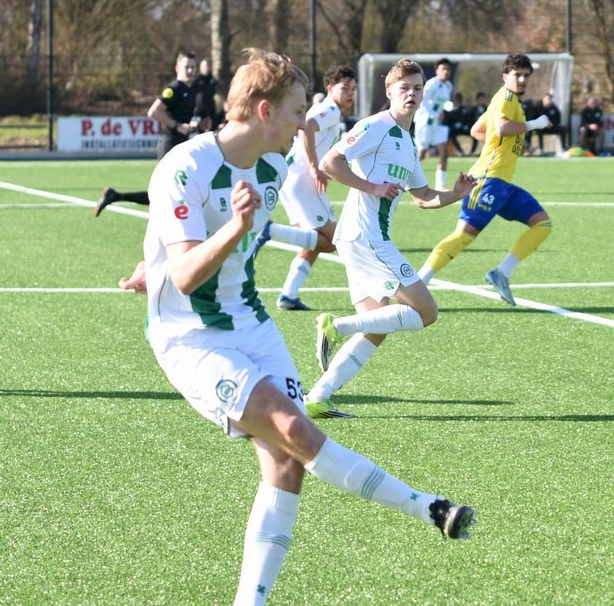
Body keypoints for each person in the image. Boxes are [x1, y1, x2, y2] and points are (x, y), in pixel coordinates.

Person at [143, 48, 474, 606]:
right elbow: (183, 274)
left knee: (287, 464)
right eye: (299, 112)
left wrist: (293, 235)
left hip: (251, 322)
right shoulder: (185, 166)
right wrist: (224, 234)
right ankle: (429, 507)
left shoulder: (272, 167)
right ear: (265, 110)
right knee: (295, 431)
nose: (306, 125)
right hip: (190, 336)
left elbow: (242, 238)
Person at [305, 59, 475, 418]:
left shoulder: (409, 143)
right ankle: (336, 326)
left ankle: (318, 396)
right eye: (404, 88)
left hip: (362, 238)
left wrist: (456, 194)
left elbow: (423, 196)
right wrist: (372, 187)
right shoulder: (376, 125)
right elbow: (331, 162)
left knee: (377, 325)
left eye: (417, 88)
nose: (411, 94)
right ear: (389, 92)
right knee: (426, 311)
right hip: (366, 236)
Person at [417, 53, 554, 308]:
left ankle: (501, 273)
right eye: (517, 75)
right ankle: (418, 282)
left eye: (526, 75)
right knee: (463, 236)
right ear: (505, 77)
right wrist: (534, 124)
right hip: (488, 180)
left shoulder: (509, 101)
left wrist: (508, 144)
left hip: (503, 184)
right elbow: (501, 128)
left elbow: (477, 130)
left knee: (542, 224)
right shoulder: (506, 98)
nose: (522, 80)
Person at [274, 65, 357, 311]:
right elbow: (307, 126)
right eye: (345, 88)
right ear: (330, 88)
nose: (350, 93)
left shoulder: (329, 110)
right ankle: (270, 231)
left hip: (291, 178)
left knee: (313, 242)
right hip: (302, 180)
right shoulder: (330, 109)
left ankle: (288, 294)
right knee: (336, 240)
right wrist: (313, 167)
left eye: (353, 89)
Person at [94, 50, 201, 216]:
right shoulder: (173, 89)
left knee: (174, 189)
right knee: (163, 191)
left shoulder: (190, 90)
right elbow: (154, 111)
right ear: (177, 68)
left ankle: (115, 196)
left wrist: (192, 125)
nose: (190, 70)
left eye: (193, 67)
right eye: (187, 67)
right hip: (170, 143)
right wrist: (177, 126)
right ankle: (117, 197)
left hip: (182, 143)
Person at [413, 57, 455, 189]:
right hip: (425, 123)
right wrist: (435, 114)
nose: (446, 72)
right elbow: (422, 101)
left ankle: (440, 185)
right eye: (443, 69)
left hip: (438, 124)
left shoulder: (449, 86)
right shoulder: (431, 84)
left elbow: (444, 103)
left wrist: (449, 107)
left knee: (444, 153)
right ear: (437, 71)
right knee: (421, 155)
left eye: (448, 69)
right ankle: (404, 178)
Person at [192, 58, 220, 132]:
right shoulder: (196, 81)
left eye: (208, 66)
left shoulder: (213, 81)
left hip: (211, 112)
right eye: (205, 66)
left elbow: (219, 95)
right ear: (200, 68)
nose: (206, 68)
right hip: (199, 112)